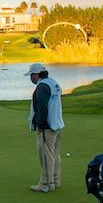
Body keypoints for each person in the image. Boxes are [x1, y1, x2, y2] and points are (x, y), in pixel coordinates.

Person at [27, 63, 64, 193]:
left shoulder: (42, 87)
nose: (30, 78)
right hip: (58, 124)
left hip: (47, 127)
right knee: (54, 154)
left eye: (31, 75)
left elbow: (42, 107)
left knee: (45, 155)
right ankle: (55, 181)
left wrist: (41, 124)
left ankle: (45, 184)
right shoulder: (54, 83)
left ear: (36, 75)